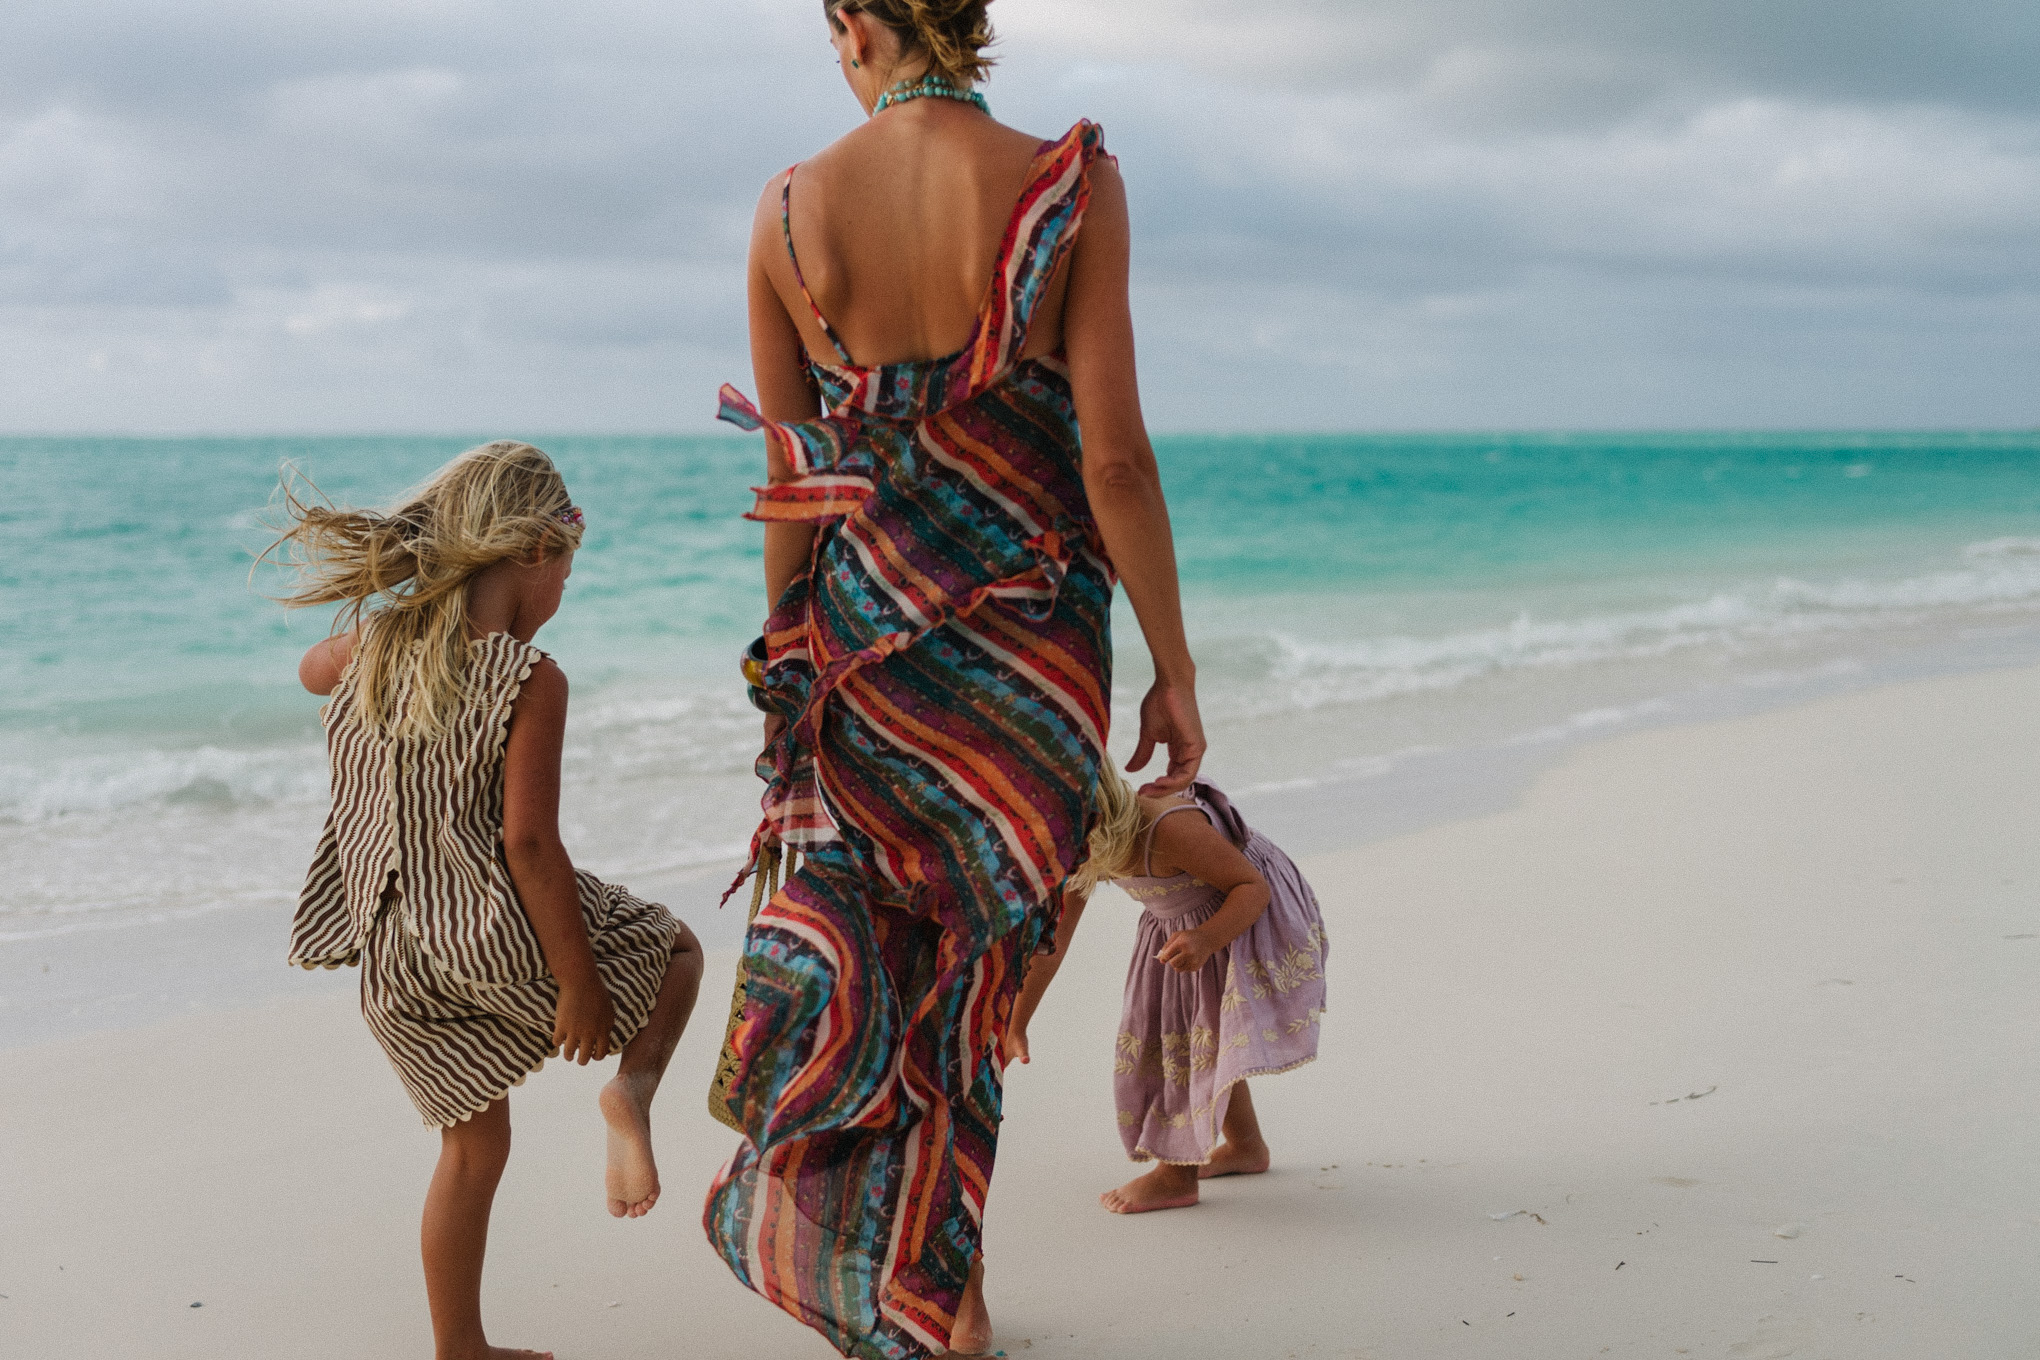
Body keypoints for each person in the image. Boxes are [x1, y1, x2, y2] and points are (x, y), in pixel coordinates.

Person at [707, 1, 1206, 1355]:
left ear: (860, 22)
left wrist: (787, 671)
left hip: (864, 643)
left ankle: (924, 1292)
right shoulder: (1071, 184)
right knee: (983, 965)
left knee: (881, 957)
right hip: (1031, 649)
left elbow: (794, 483)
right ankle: (952, 1290)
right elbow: (1114, 459)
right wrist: (1173, 667)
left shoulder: (787, 211)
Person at [272, 442, 703, 1360]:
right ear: (537, 553)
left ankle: (460, 1348)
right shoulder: (527, 677)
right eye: (568, 573)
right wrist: (578, 983)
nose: (563, 597)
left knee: (471, 1152)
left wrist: (385, 621)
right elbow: (529, 844)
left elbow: (312, 668)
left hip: (393, 959)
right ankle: (632, 1091)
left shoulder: (370, 651)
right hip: (497, 936)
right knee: (676, 953)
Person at [1007, 765, 1327, 1214]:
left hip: (1245, 913)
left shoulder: (1166, 827)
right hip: (1181, 920)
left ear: (1095, 822)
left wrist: (1207, 938)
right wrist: (1018, 1021)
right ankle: (1246, 1147)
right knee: (1200, 1035)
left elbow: (1252, 888)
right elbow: (1052, 944)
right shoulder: (1081, 853)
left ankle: (1176, 1175)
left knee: (1178, 1042)